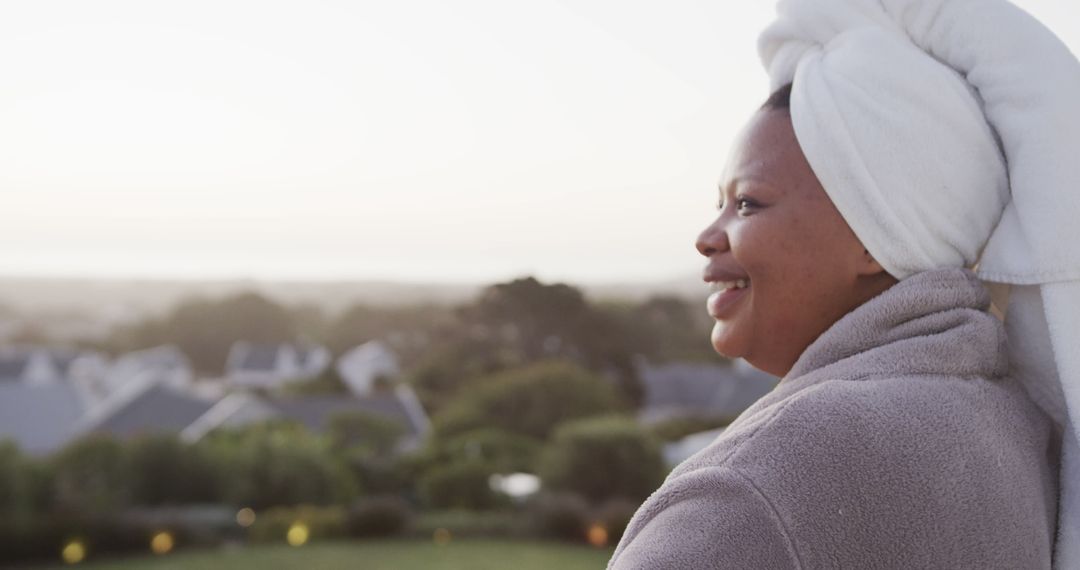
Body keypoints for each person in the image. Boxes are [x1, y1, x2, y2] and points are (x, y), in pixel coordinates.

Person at [608, 0, 1080, 568]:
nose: (708, 236)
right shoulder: (1011, 427)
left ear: (872, 232)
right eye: (720, 205)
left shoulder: (765, 483)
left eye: (748, 203)